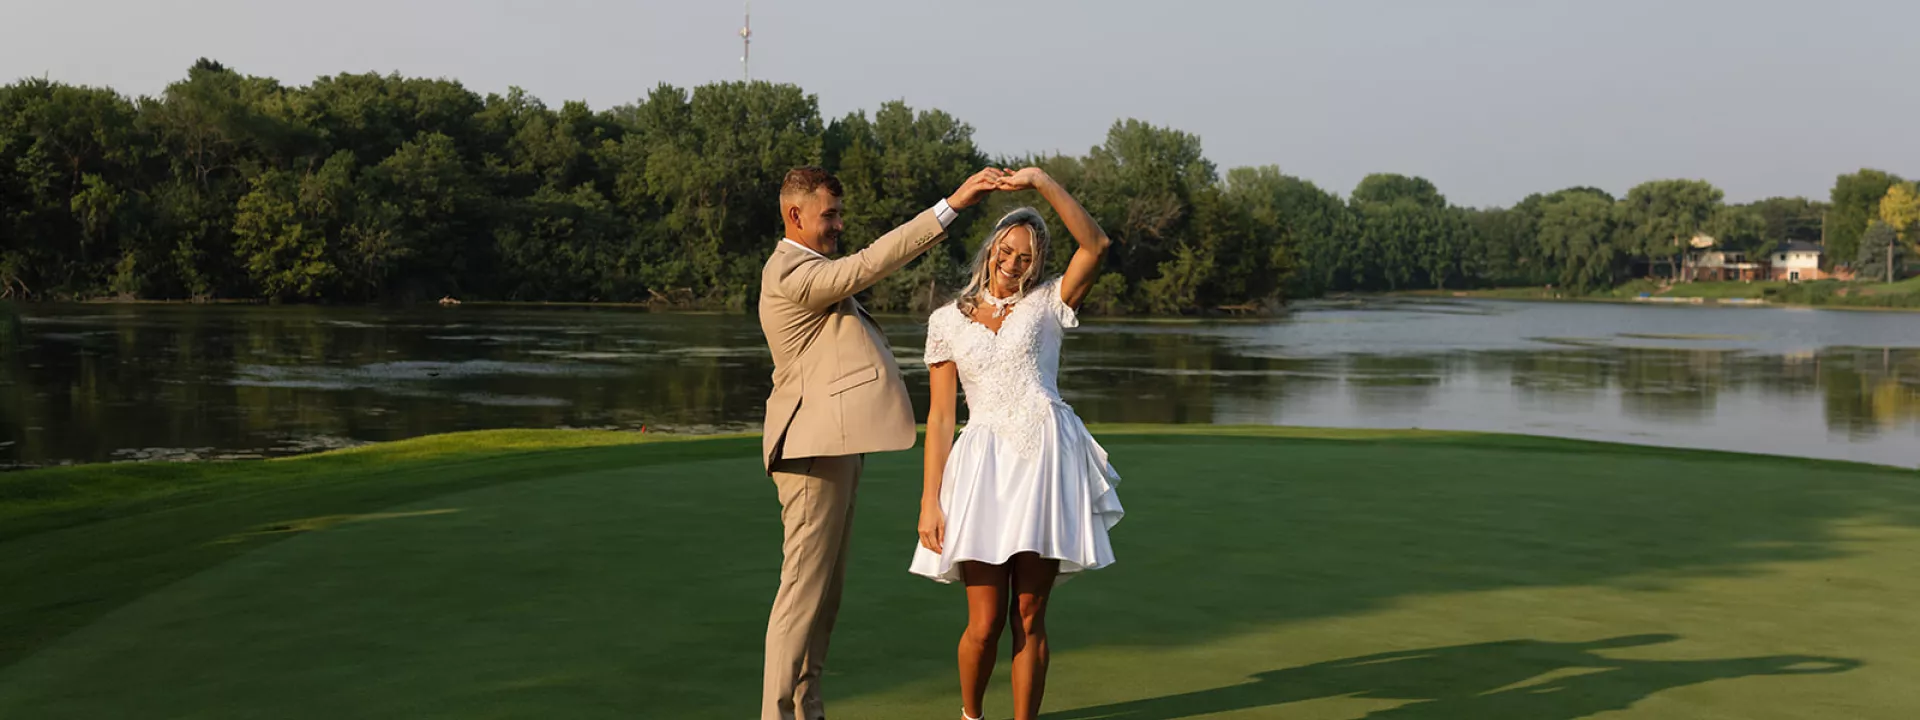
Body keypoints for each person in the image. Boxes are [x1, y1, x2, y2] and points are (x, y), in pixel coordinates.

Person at [757, 164, 1005, 720]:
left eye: (840, 213)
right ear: (794, 216)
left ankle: (807, 709)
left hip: (833, 448)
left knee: (824, 597)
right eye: (830, 215)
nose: (839, 224)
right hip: (810, 454)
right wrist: (953, 205)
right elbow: (870, 264)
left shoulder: (811, 267)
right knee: (801, 596)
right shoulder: (790, 272)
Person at [910, 167, 1123, 720]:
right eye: (1007, 249)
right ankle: (971, 716)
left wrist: (1040, 182)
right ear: (990, 249)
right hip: (982, 469)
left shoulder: (1050, 302)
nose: (1013, 262)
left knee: (1029, 615)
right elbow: (937, 419)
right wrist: (930, 499)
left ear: (1037, 264)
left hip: (1044, 463)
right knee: (983, 623)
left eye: (1026, 256)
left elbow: (1096, 243)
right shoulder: (946, 321)